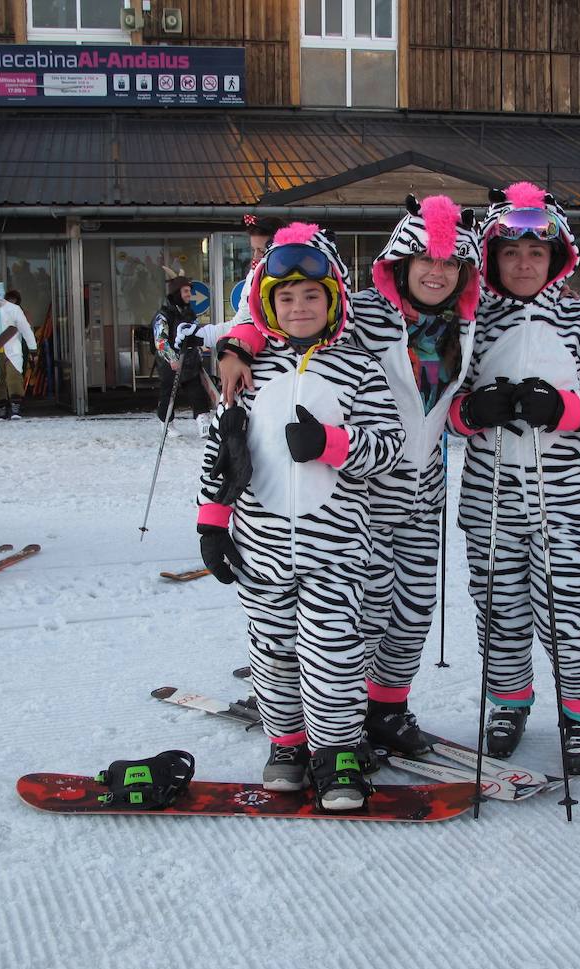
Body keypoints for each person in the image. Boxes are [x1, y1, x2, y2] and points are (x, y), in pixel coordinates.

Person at [215, 196, 482, 755]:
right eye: (425, 261)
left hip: (423, 487)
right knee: (358, 615)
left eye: (450, 263)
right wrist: (238, 346)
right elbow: (280, 313)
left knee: (413, 611)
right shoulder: (361, 311)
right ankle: (339, 713)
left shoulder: (467, 322)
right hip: (358, 493)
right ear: (401, 263)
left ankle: (387, 708)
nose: (437, 273)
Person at [196, 223, 405, 811]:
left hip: (336, 547)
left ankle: (336, 749)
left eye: (311, 296)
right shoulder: (247, 373)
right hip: (260, 543)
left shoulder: (359, 369)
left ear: (334, 298)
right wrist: (211, 524)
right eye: (285, 298)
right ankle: (287, 744)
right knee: (273, 648)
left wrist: (331, 445)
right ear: (266, 304)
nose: (299, 307)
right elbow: (221, 452)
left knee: (334, 649)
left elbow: (387, 446)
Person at [447, 182, 580, 775]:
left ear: (556, 257)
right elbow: (437, 400)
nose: (523, 262)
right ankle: (508, 701)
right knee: (499, 607)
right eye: (510, 251)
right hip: (490, 496)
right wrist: (472, 413)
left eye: (536, 251)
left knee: (565, 608)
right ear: (493, 257)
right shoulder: (470, 322)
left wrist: (565, 409)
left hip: (567, 498)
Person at [152, 265, 213, 437]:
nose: (189, 295)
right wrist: (172, 358)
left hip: (190, 361)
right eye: (186, 291)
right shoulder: (163, 315)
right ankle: (166, 423)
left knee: (196, 390)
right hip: (169, 363)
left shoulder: (189, 313)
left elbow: (196, 333)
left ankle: (203, 420)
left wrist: (202, 347)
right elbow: (160, 340)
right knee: (168, 393)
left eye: (189, 291)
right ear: (177, 293)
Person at [0, 283, 37, 420]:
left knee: (14, 378)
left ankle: (16, 408)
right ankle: (1, 409)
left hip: (13, 349)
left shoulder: (14, 309)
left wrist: (33, 349)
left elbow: (26, 330)